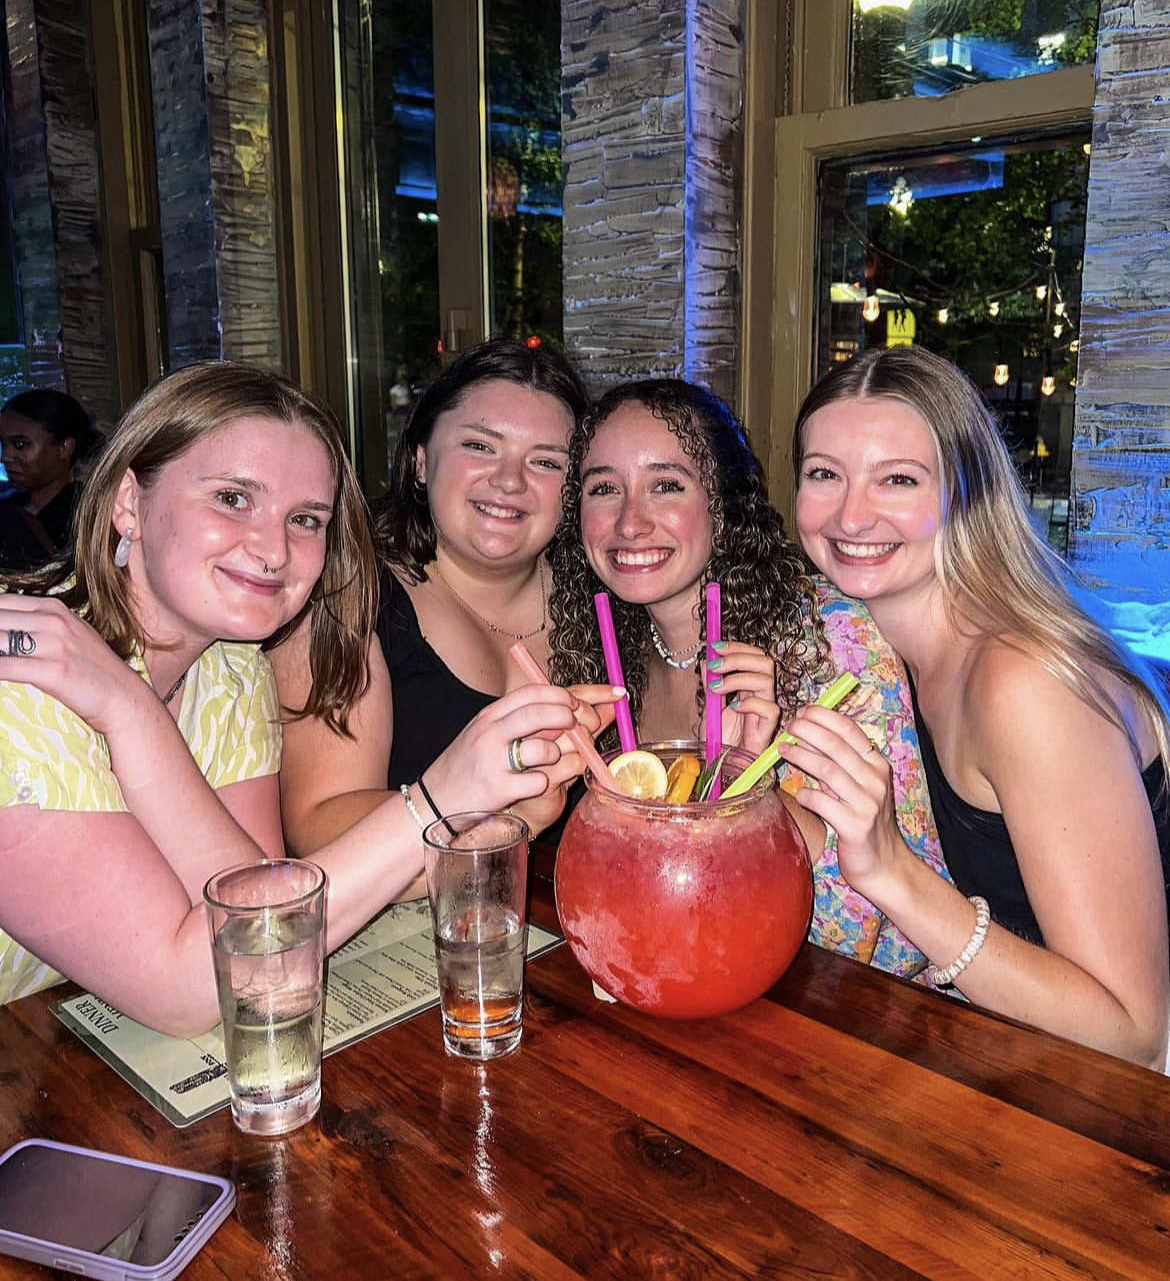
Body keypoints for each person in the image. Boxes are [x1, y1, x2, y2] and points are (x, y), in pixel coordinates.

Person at [0, 362, 594, 1036]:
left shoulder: (231, 670)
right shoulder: (19, 686)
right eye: (231, 498)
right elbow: (206, 991)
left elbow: (262, 921)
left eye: (306, 518)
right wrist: (441, 800)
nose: (273, 548)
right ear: (129, 500)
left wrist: (127, 710)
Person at [790, 345, 1170, 1065]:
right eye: (824, 475)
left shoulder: (1022, 681)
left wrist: (892, 872)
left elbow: (1132, 1032)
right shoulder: (872, 637)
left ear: (967, 492)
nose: (851, 514)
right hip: (1022, 1054)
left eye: (897, 479)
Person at [547, 378, 948, 974]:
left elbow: (888, 936)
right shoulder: (604, 656)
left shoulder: (834, 643)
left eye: (666, 485)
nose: (629, 522)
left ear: (724, 502)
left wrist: (754, 790)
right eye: (604, 488)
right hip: (679, 976)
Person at [275, 339, 610, 859]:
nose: (509, 480)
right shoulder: (349, 599)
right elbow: (319, 825)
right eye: (479, 446)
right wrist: (508, 822)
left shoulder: (606, 602)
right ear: (420, 460)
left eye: (546, 461)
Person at [0, 389, 102, 572]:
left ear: (65, 447)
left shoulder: (90, 514)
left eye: (20, 444)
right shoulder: (7, 508)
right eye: (3, 444)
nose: (6, 456)